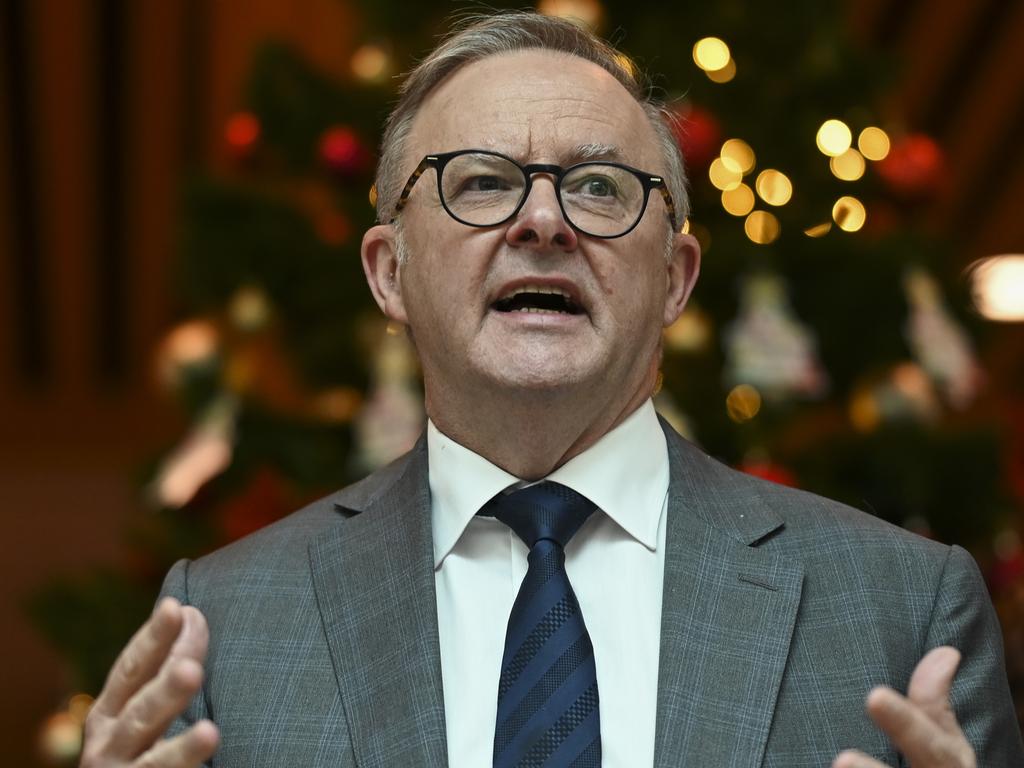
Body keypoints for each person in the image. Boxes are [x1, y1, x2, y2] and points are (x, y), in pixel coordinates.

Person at [81, 11, 1022, 768]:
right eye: (481, 182)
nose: (543, 221)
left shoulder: (904, 606)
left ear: (676, 280)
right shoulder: (226, 624)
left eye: (602, 188)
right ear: (389, 273)